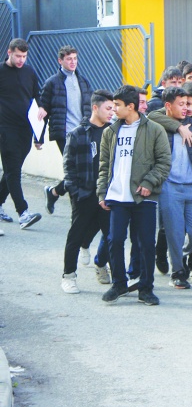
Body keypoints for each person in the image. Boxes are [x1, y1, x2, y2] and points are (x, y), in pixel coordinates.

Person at [97, 85, 171, 305]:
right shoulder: (110, 132)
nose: (113, 110)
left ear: (130, 106)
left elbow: (164, 162)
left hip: (143, 196)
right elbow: (103, 165)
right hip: (117, 197)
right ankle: (119, 284)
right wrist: (102, 192)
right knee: (115, 240)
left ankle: (146, 288)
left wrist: (149, 182)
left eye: (117, 105)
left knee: (146, 243)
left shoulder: (155, 130)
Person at [148, 86, 192, 289]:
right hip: (169, 186)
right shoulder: (157, 125)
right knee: (174, 230)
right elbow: (150, 115)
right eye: (181, 104)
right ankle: (178, 271)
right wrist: (177, 127)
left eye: (188, 104)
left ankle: (178, 253)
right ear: (168, 106)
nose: (186, 109)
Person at [61, 90, 116, 293]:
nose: (112, 112)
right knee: (76, 235)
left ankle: (113, 273)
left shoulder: (114, 131)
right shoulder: (78, 134)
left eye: (113, 108)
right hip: (84, 194)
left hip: (108, 195)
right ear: (95, 107)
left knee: (112, 236)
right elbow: (68, 166)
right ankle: (68, 276)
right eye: (108, 108)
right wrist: (76, 192)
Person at [39, 45, 94, 215]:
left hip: (83, 132)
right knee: (74, 170)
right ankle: (76, 212)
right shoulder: (52, 83)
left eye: (75, 59)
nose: (72, 62)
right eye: (69, 59)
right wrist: (38, 138)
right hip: (64, 134)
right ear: (60, 60)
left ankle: (54, 192)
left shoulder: (83, 81)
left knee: (83, 170)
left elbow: (91, 107)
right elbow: (42, 111)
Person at [0, 38, 42, 229]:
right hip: (5, 129)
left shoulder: (29, 71)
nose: (21, 60)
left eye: (24, 56)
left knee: (11, 171)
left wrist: (39, 132)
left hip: (25, 128)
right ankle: (23, 213)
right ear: (9, 52)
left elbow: (36, 97)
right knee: (13, 171)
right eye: (18, 56)